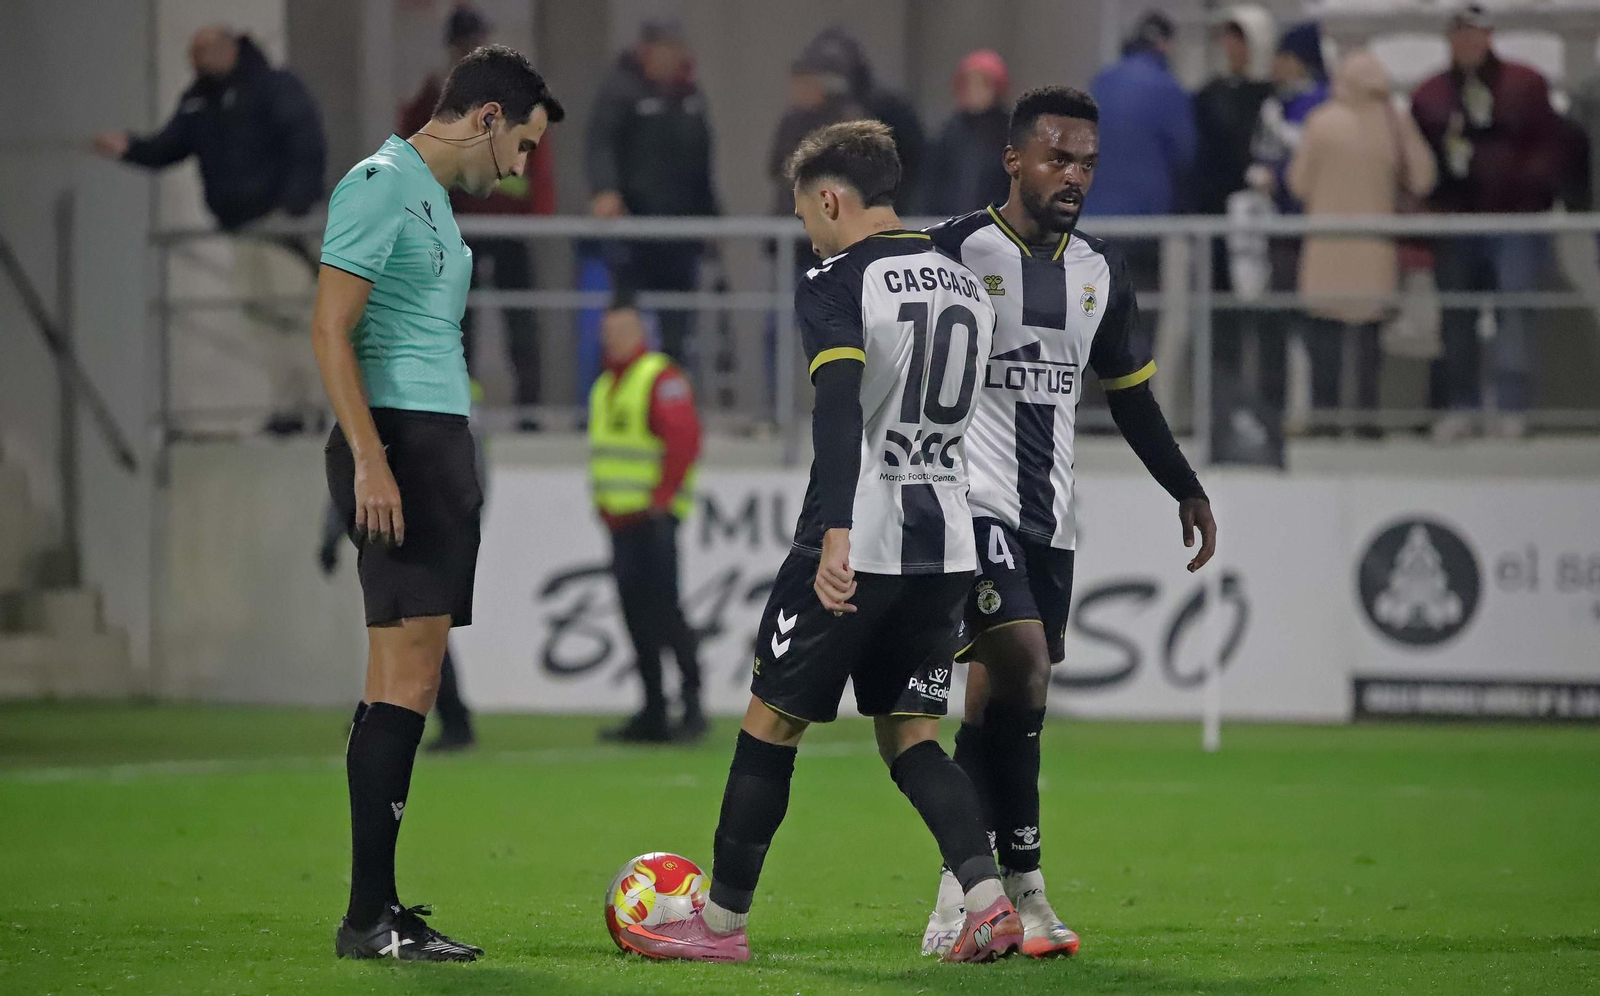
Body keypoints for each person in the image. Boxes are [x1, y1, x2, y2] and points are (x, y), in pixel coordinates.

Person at [615, 120, 1015, 964]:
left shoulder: (839, 278)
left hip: (857, 536)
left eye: (805, 214)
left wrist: (835, 532)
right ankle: (987, 901)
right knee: (912, 735)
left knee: (771, 723)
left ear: (830, 198)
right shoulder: (965, 283)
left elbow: (836, 404)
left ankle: (718, 925)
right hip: (943, 537)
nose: (807, 230)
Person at [923, 86, 1217, 957]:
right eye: (1057, 157)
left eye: (1086, 161)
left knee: (1005, 708)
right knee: (1029, 666)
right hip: (968, 507)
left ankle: (977, 900)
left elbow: (1131, 400)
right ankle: (1017, 891)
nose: (1074, 175)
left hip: (1051, 522)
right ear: (1014, 159)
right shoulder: (951, 251)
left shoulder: (1100, 271)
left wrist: (1185, 487)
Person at [313, 44, 563, 961]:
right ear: (489, 118)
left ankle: (372, 913)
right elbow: (331, 330)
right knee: (406, 682)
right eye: (526, 147)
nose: (526, 167)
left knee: (399, 683)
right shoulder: (381, 183)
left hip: (428, 443)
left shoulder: (430, 202)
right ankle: (369, 917)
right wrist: (374, 461)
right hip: (404, 446)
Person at [94, 26, 328, 435]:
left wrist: (293, 208)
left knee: (291, 313)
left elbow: (305, 143)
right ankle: (291, 407)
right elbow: (169, 146)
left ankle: (310, 407)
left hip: (279, 226)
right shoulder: (200, 101)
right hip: (241, 228)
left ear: (227, 48)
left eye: (202, 50)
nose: (195, 60)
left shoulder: (271, 87)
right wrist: (130, 149)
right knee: (264, 319)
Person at [1411, 3, 1567, 439]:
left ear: (1489, 34)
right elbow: (1420, 159)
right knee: (1457, 316)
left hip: (1514, 221)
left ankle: (1512, 405)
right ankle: (1462, 405)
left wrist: (1521, 186)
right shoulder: (1431, 94)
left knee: (1514, 311)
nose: (1466, 42)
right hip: (1455, 222)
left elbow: (1550, 148)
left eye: (1473, 32)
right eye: (1458, 33)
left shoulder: (1526, 85)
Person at [398, 7, 556, 425]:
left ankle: (529, 409)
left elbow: (538, 153)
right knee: (458, 323)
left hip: (509, 225)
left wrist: (540, 211)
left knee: (519, 319)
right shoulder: (437, 98)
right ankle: (459, 407)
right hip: (459, 225)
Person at [1289, 52, 1436, 431]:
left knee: (1325, 339)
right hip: (1375, 250)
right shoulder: (1393, 121)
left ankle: (1325, 417)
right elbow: (1423, 179)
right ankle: (1367, 419)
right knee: (1368, 343)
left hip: (1325, 248)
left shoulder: (1321, 123)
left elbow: (1297, 183)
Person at [590, 300, 706, 744]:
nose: (613, 338)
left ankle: (691, 707)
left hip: (653, 520)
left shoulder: (658, 377)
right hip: (622, 522)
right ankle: (654, 710)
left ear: (641, 332)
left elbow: (683, 441)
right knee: (637, 618)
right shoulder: (605, 385)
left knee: (665, 613)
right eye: (609, 331)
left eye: (622, 330)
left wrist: (662, 499)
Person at [586, 20, 718, 365]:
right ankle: (621, 389)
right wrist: (605, 190)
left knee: (679, 322)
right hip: (634, 229)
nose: (675, 57)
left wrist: (712, 216)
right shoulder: (621, 90)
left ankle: (672, 394)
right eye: (668, 48)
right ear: (648, 51)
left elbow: (703, 162)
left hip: (681, 231)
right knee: (625, 317)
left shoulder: (690, 96)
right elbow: (600, 144)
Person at [1085, 11, 1196, 350]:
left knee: (1094, 313)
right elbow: (1186, 153)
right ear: (1165, 45)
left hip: (1091, 223)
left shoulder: (1100, 83)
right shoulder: (1167, 89)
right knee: (1138, 316)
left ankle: (1088, 401)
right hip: (1144, 225)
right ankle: (1130, 398)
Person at [1192, 6, 1276, 218]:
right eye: (1229, 38)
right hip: (1216, 204)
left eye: (1240, 39)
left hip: (1261, 205)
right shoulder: (1210, 94)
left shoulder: (1272, 96)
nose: (1231, 46)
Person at [923, 50, 1013, 217]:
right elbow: (932, 185)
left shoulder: (1010, 133)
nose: (974, 90)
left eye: (982, 84)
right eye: (968, 84)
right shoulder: (949, 133)